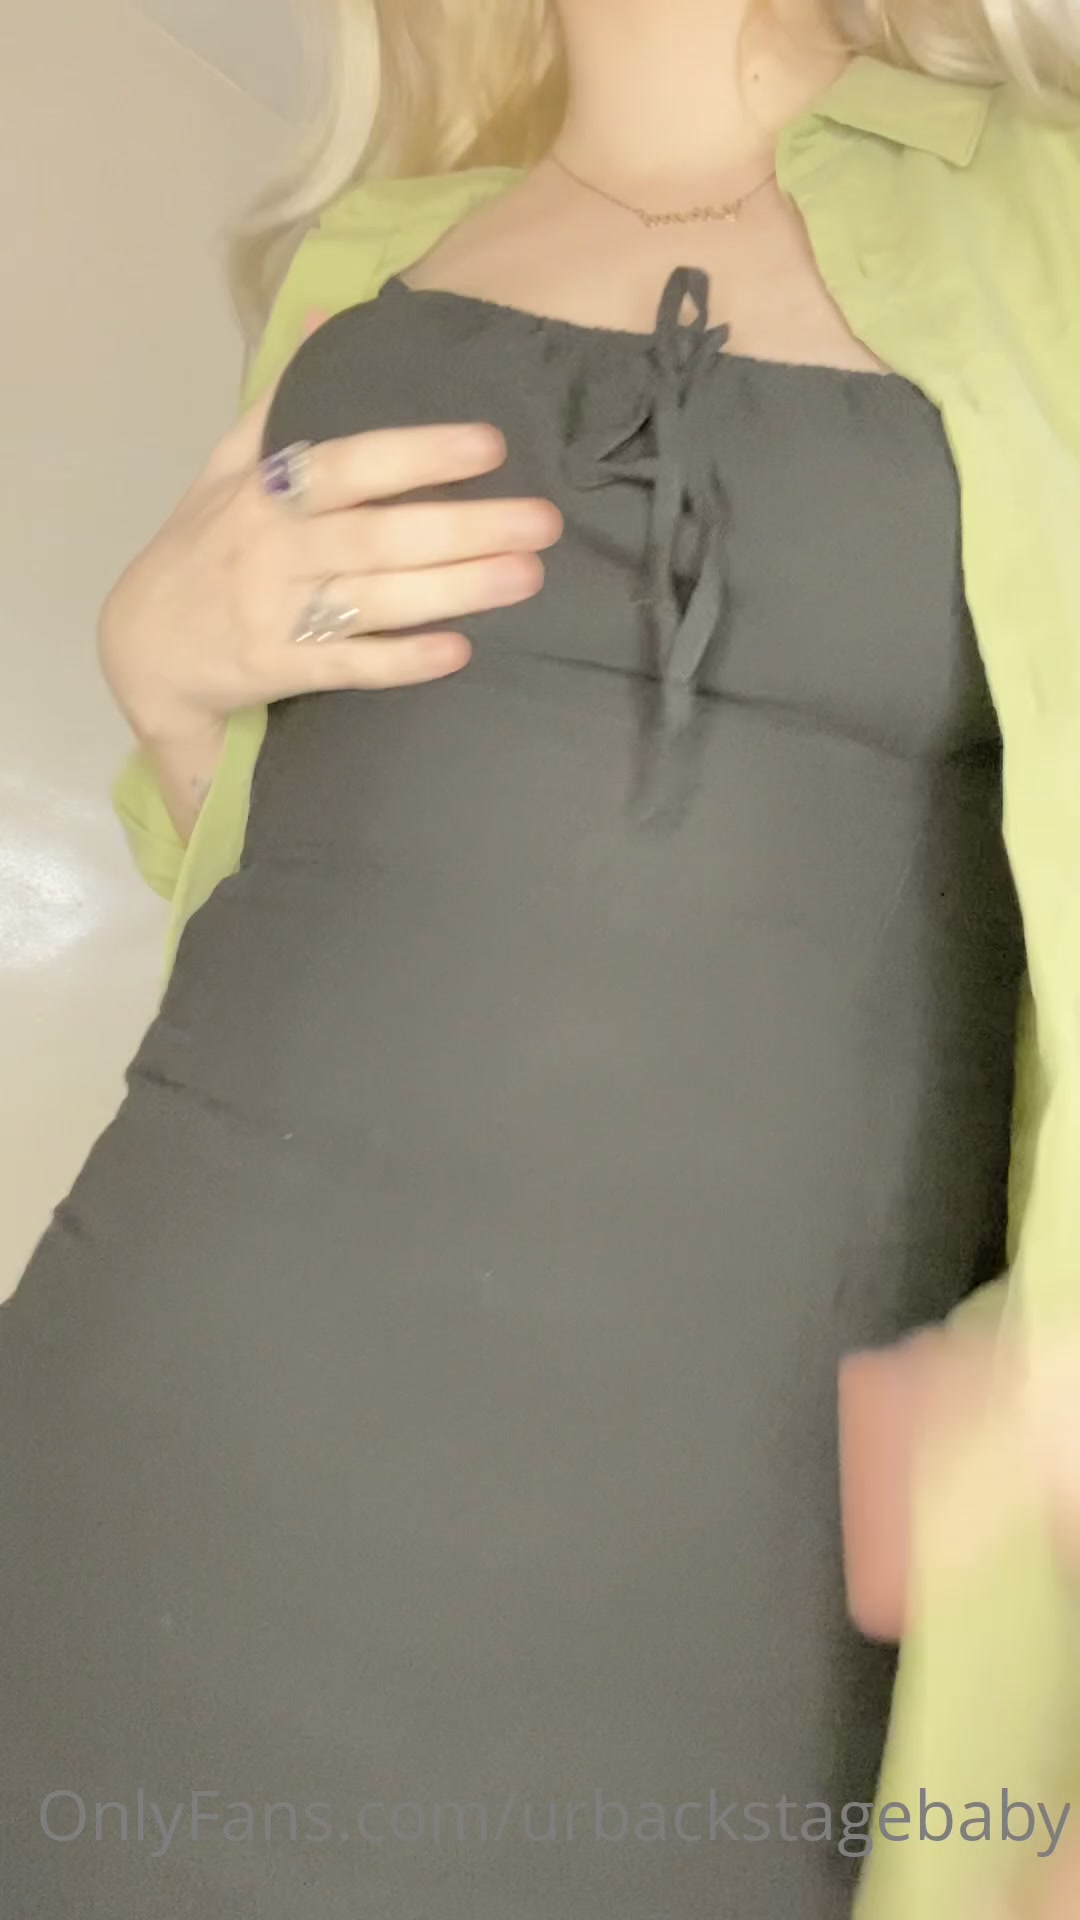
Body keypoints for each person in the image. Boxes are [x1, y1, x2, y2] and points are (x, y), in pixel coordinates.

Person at [4, 1, 1080, 1915]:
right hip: (136, 1474)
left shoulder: (1050, 218)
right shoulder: (361, 267)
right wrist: (160, 682)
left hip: (721, 1594)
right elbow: (294, 882)